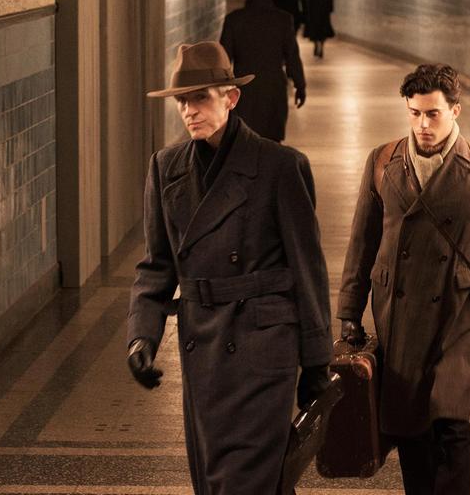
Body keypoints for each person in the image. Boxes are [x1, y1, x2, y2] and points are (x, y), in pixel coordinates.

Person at [337, 64, 470, 495]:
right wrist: (348, 311)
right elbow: (362, 242)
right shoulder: (383, 161)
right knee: (413, 431)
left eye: (433, 114)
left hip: (458, 314)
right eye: (415, 113)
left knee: (451, 422)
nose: (423, 124)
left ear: (455, 111)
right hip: (398, 313)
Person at [127, 41, 332, 495]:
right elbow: (156, 265)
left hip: (263, 348)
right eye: (182, 101)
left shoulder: (280, 167)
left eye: (200, 98)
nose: (189, 111)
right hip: (203, 347)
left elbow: (308, 267)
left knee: (238, 483)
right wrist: (142, 334)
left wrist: (316, 360)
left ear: (231, 98)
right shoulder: (165, 168)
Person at [219, 0, 307, 142]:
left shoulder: (234, 19)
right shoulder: (283, 19)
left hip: (243, 90)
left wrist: (221, 91)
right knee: (271, 140)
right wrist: (300, 85)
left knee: (243, 139)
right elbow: (292, 57)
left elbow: (223, 59)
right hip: (274, 88)